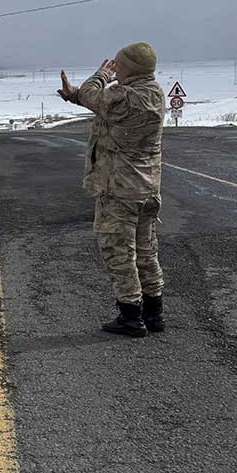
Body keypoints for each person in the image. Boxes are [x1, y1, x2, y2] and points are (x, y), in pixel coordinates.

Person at [57, 42, 166, 337]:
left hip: (119, 189)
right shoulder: (155, 94)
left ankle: (131, 315)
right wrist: (87, 90)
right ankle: (154, 312)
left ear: (129, 68)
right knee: (146, 251)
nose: (116, 69)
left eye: (119, 65)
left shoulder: (123, 97)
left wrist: (101, 75)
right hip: (147, 189)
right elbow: (97, 101)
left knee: (120, 253)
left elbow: (94, 96)